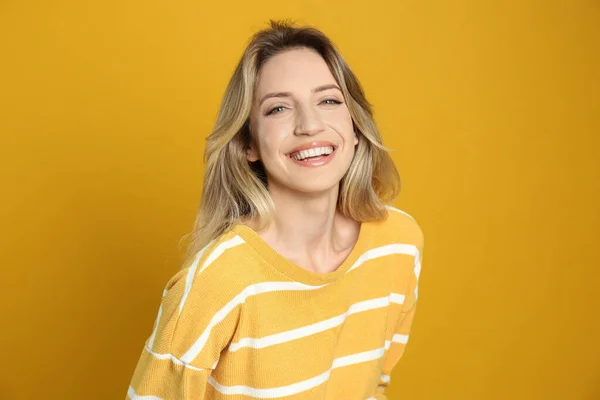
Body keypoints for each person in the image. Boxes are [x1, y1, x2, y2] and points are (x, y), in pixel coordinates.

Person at [126, 19, 424, 400]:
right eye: (279, 108)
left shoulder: (398, 244)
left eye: (329, 100)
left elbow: (374, 388)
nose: (310, 125)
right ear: (248, 144)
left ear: (354, 126)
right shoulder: (217, 281)